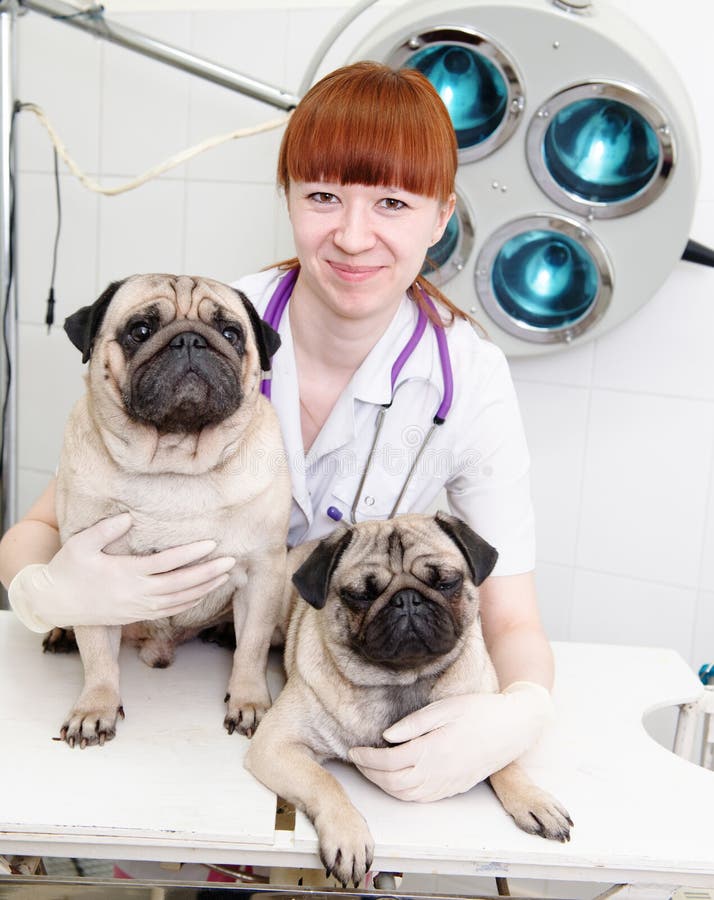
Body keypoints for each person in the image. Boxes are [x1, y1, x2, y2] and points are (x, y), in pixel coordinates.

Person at [0, 61, 554, 804]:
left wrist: (520, 715)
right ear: (287, 198)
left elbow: (512, 618)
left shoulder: (472, 380)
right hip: (185, 691)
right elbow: (39, 529)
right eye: (323, 196)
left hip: (349, 696)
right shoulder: (220, 326)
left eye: (392, 203)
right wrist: (43, 592)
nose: (352, 235)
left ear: (441, 217)